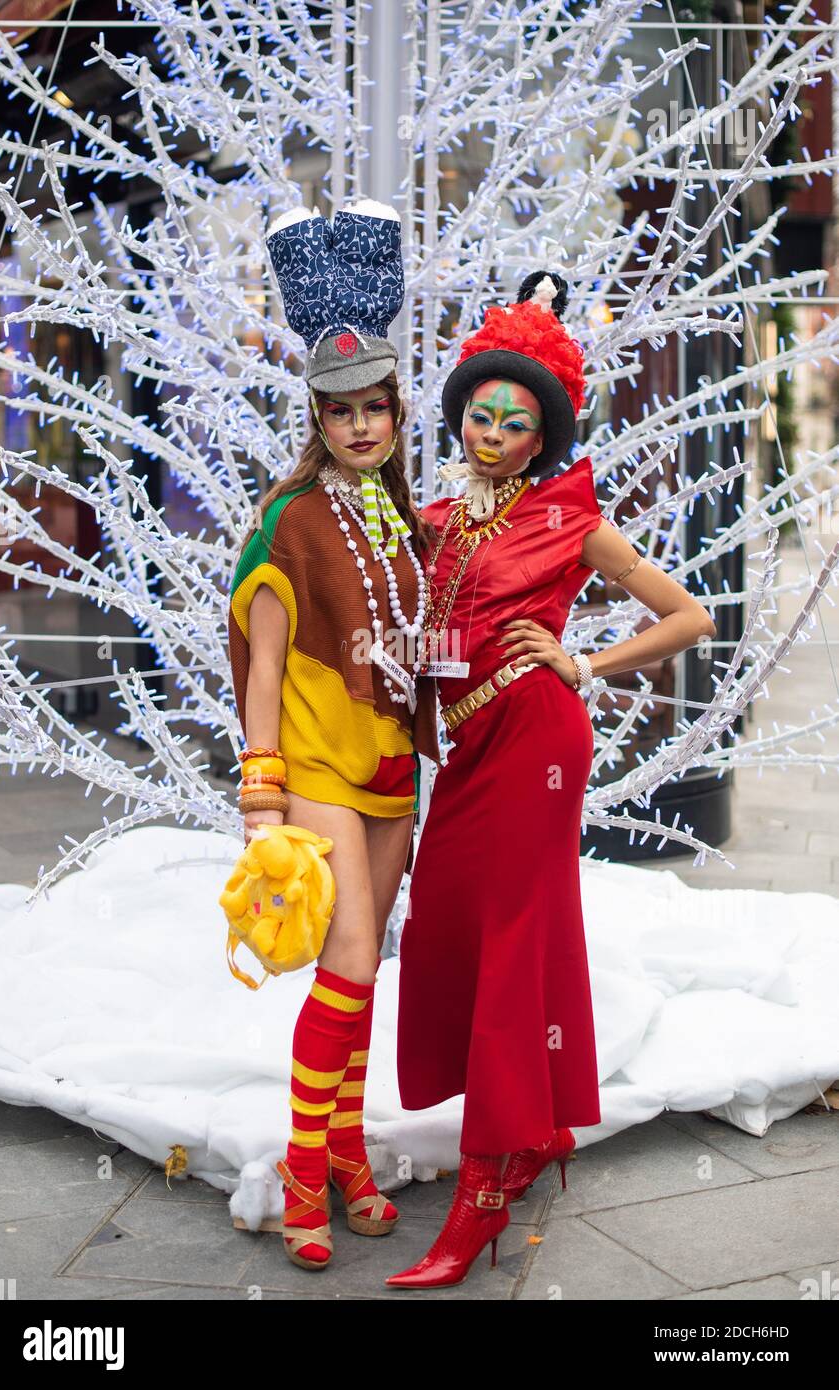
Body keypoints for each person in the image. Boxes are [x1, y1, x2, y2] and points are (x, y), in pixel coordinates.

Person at [386, 269, 717, 1289]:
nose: (490, 431)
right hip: (466, 749)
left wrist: (582, 661)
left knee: (515, 939)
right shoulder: (436, 519)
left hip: (534, 739)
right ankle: (527, 1129)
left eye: (513, 420)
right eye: (479, 413)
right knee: (449, 921)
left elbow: (685, 615)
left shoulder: (569, 520)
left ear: (541, 436)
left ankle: (487, 1183)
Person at [227, 200, 440, 1270]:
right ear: (313, 415)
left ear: (396, 412)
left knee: (362, 976)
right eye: (338, 407)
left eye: (375, 406)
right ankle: (306, 1167)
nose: (359, 424)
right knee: (349, 957)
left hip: (390, 771)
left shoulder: (400, 515)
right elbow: (263, 663)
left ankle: (349, 1153)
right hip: (310, 766)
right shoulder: (288, 520)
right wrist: (259, 794)